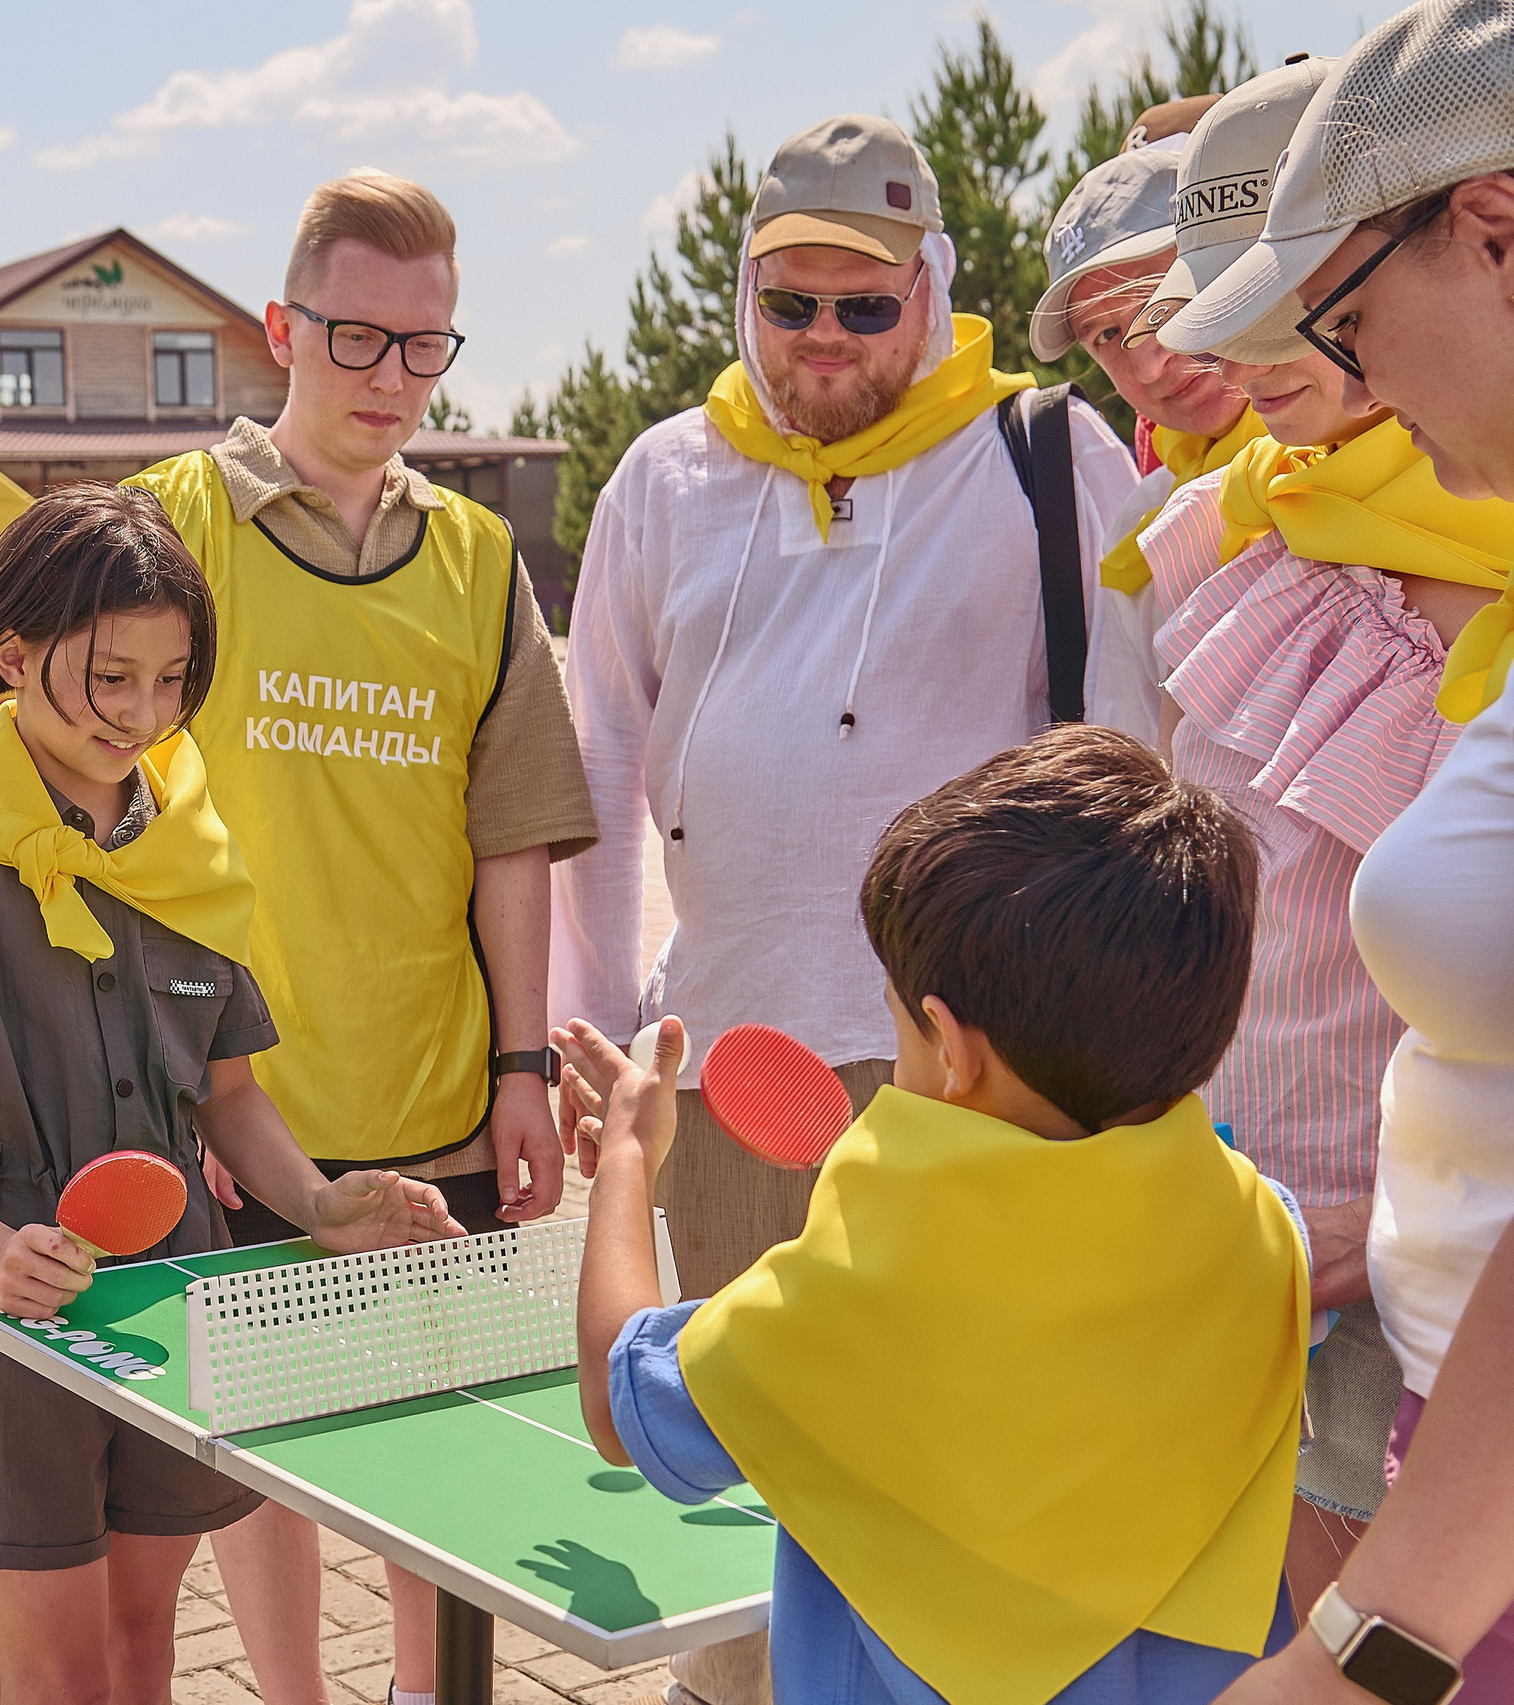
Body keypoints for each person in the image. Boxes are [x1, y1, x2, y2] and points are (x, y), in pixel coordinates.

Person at [0, 483, 458, 1705]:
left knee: (146, 1638)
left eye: (172, 680)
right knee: (59, 1664)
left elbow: (231, 1095)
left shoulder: (188, 851)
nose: (143, 713)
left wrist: (319, 1201)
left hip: (173, 1296)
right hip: (11, 1308)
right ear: (12, 653)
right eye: (110, 679)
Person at [566, 726, 1312, 1703]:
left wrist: (627, 1157)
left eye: (897, 1023)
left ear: (953, 1052)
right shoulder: (1263, 1227)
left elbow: (622, 1403)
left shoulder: (857, 1291)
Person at [125, 170, 598, 1704]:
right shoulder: (172, 528)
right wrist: (168, 1072)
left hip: (434, 1092)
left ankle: (420, 1689)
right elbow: (97, 823)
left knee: (427, 1439)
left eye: (427, 346)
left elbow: (509, 838)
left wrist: (523, 1066)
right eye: (357, 338)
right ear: (283, 329)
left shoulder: (474, 558)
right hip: (243, 1104)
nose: (391, 378)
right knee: (261, 1448)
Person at [1117, 52, 1514, 1621]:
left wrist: (1379, 1646)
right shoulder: (1257, 531)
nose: (1295, 357)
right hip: (1321, 1259)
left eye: (1323, 316)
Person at [1030, 137, 1265, 738]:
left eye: (1164, 301)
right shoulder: (1139, 523)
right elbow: (1131, 751)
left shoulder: (1406, 437)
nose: (1149, 364)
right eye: (1107, 335)